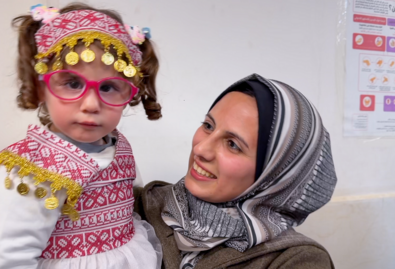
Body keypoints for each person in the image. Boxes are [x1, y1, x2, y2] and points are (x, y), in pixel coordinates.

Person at [0, 3, 162, 269]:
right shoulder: (31, 170)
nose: (90, 104)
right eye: (73, 83)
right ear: (41, 86)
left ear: (129, 94)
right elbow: (9, 258)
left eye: (110, 87)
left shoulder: (120, 146)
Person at [135, 73, 337, 269]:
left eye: (232, 144)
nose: (200, 149)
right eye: (208, 125)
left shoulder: (295, 261)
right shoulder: (136, 205)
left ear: (274, 175)